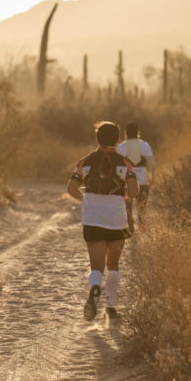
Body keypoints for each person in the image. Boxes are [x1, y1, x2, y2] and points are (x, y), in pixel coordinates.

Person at [66, 121, 138, 321]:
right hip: (116, 220)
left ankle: (95, 288)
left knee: (96, 267)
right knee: (113, 265)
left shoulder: (85, 162)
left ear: (97, 139)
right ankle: (111, 307)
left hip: (92, 219)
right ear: (117, 140)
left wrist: (87, 200)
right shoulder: (126, 163)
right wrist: (121, 196)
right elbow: (133, 192)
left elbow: (71, 188)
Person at [116, 122, 155, 231]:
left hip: (127, 181)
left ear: (125, 134)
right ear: (138, 133)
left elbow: (118, 166)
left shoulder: (121, 147)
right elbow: (152, 164)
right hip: (143, 180)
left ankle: (131, 229)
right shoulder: (144, 145)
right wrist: (151, 176)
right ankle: (142, 227)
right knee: (142, 206)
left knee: (128, 206)